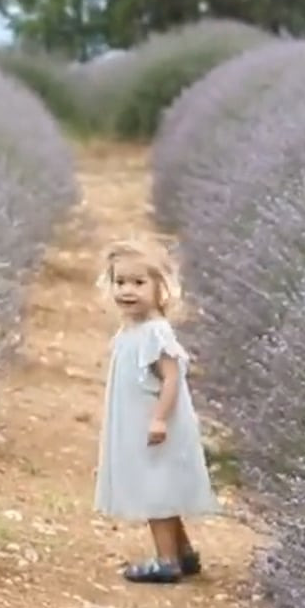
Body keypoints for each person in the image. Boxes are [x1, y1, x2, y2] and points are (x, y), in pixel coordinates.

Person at [93, 238, 218, 584]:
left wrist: (160, 418)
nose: (127, 291)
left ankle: (167, 561)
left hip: (155, 425)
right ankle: (183, 552)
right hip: (140, 424)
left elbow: (171, 379)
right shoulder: (131, 330)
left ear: (160, 287)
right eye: (120, 282)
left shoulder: (155, 333)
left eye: (138, 283)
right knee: (159, 488)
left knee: (155, 491)